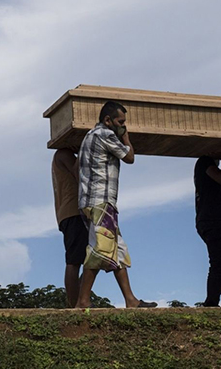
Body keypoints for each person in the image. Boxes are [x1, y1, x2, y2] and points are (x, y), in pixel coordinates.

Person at [75, 101, 156, 309]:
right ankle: (82, 301)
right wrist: (126, 138)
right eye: (121, 122)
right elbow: (129, 157)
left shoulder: (90, 136)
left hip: (92, 201)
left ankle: (130, 299)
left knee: (116, 248)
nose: (123, 126)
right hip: (100, 201)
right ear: (108, 120)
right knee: (100, 248)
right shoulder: (105, 134)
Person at [194, 154, 221, 307]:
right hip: (212, 220)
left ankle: (212, 299)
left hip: (212, 220)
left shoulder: (209, 170)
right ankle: (211, 302)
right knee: (219, 262)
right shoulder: (205, 162)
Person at [52, 147, 85, 307]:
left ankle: (80, 299)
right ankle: (74, 304)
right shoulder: (64, 154)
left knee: (95, 258)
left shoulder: (65, 155)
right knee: (74, 261)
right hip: (73, 212)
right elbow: (81, 175)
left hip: (72, 212)